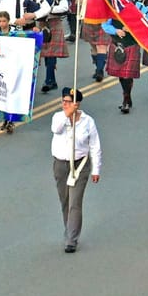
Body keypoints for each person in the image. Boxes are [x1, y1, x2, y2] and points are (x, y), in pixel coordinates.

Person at [51, 87, 102, 253]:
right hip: (61, 164)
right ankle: (69, 228)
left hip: (80, 165)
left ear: (77, 104)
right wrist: (67, 114)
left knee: (75, 202)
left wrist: (96, 169)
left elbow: (95, 146)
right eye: (63, 101)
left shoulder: (88, 121)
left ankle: (72, 239)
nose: (65, 104)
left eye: (69, 102)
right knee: (65, 200)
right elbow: (55, 129)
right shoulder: (59, 117)